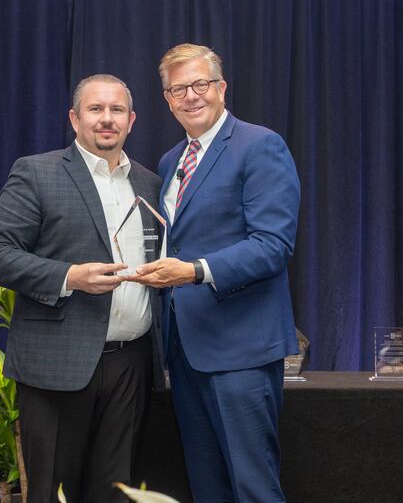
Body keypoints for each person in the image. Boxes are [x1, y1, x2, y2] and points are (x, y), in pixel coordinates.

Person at [127, 44, 301, 502]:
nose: (191, 96)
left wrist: (194, 271)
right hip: (184, 351)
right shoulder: (170, 162)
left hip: (240, 349)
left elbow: (273, 245)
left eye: (200, 84)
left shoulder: (259, 145)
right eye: (178, 88)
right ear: (166, 99)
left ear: (221, 88)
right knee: (207, 487)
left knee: (253, 487)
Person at [0, 74, 163, 503]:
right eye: (95, 109)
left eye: (116, 110)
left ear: (132, 120)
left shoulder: (151, 183)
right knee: (52, 493)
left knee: (117, 493)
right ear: (74, 118)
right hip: (56, 366)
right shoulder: (37, 172)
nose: (106, 119)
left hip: (131, 366)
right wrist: (70, 277)